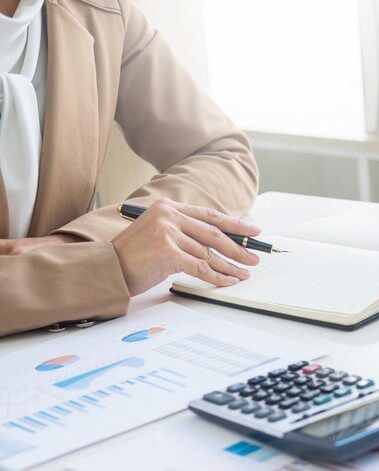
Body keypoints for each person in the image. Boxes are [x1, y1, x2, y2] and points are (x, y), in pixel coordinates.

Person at [0, 0, 260, 337]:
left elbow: (223, 156)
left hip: (68, 344)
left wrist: (82, 240)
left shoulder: (101, 10)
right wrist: (104, 266)